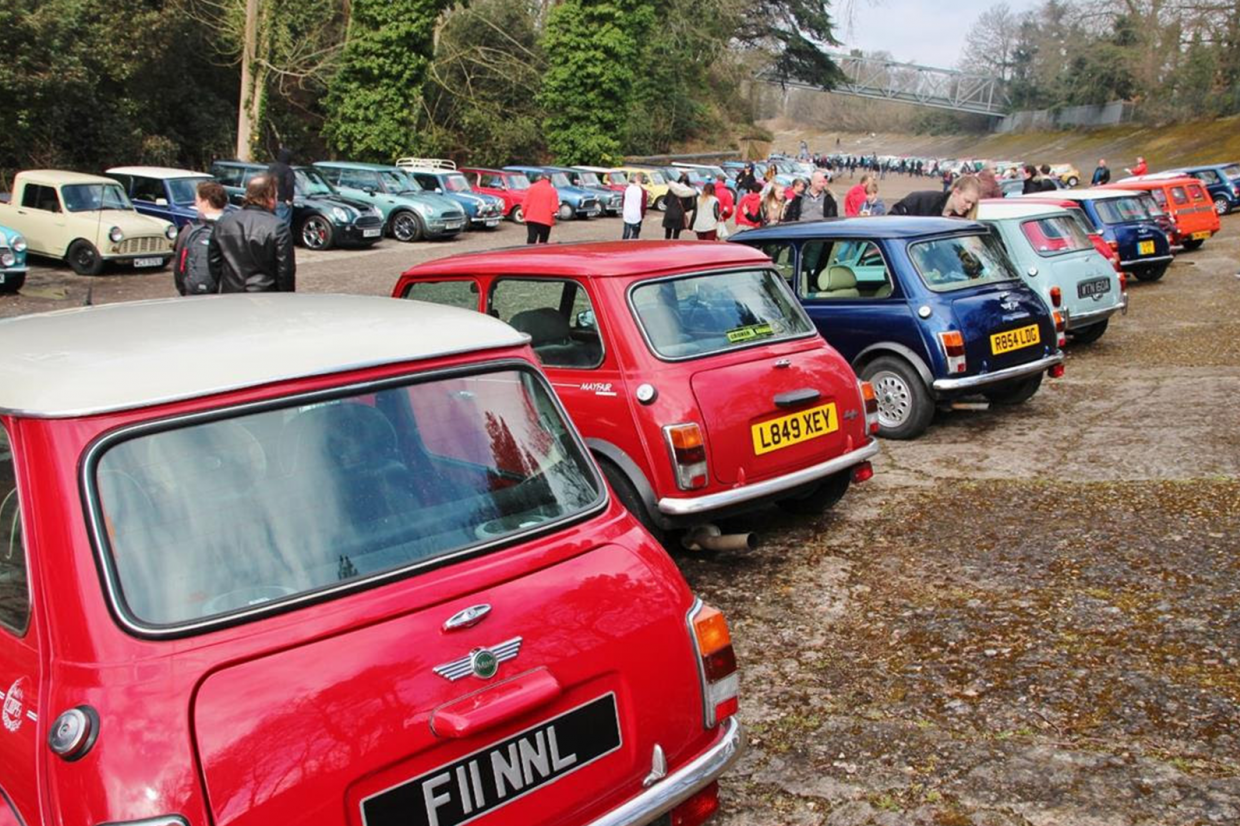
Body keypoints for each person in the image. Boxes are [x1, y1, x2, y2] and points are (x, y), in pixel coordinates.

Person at [208, 174, 295, 293]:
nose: (276, 200)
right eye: (275, 196)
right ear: (269, 198)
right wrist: (285, 298)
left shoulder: (223, 223)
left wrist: (223, 285)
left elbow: (214, 263)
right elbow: (285, 272)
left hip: (231, 293)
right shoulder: (278, 227)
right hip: (265, 296)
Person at [173, 180, 228, 296]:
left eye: (197, 200)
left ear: (206, 202)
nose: (195, 203)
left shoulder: (189, 230)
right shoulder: (233, 229)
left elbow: (179, 267)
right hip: (224, 295)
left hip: (193, 294)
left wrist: (184, 290)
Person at [890, 175, 981, 219]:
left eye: (972, 204)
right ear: (956, 192)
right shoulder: (920, 200)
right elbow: (891, 220)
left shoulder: (963, 220)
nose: (969, 207)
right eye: (967, 201)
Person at [523, 173, 558, 243]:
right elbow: (554, 208)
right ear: (550, 180)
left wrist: (524, 216)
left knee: (531, 239)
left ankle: (529, 253)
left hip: (531, 218)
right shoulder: (553, 191)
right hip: (546, 220)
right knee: (543, 242)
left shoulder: (532, 187)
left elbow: (525, 204)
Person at [267, 147, 295, 226]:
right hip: (282, 200)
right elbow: (290, 184)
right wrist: (289, 198)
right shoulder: (288, 170)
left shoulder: (271, 168)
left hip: (270, 198)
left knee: (270, 222)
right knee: (282, 224)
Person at [663, 174, 695, 239]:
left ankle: (666, 246)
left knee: (667, 233)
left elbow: (665, 201)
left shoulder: (672, 189)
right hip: (679, 214)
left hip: (669, 213)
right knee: (676, 234)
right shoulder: (688, 192)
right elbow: (689, 206)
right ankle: (674, 247)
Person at [621, 173, 647, 239]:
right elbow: (643, 205)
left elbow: (623, 200)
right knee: (635, 233)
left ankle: (623, 246)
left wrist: (624, 209)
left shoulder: (628, 189)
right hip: (637, 215)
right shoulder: (643, 191)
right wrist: (642, 215)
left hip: (627, 213)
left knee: (626, 233)